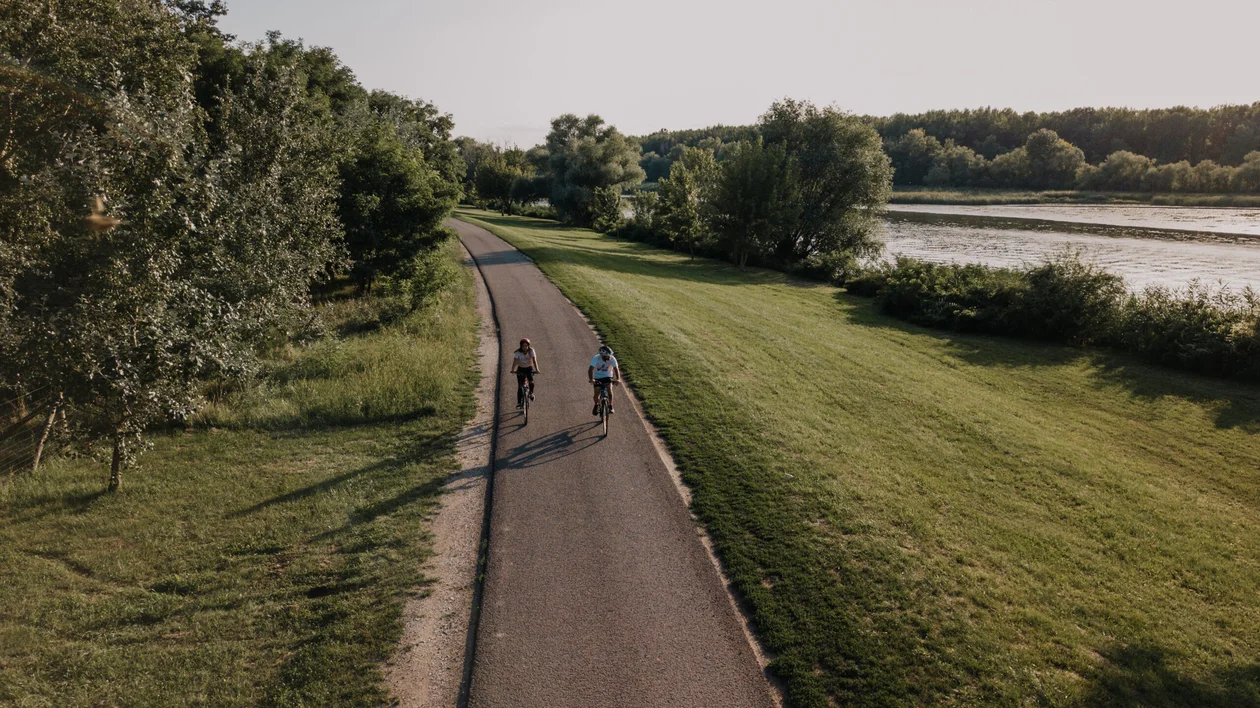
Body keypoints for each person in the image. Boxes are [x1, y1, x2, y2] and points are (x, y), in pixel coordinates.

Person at [588, 344, 620, 416]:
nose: (609, 357)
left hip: (608, 376)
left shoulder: (612, 358)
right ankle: (596, 405)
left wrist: (618, 379)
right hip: (597, 377)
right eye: (607, 356)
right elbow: (590, 369)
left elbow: (616, 369)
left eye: (609, 355)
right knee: (596, 392)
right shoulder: (596, 358)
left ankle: (611, 406)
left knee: (609, 390)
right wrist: (591, 379)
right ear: (602, 355)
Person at [510, 338, 540, 408]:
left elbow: (534, 360)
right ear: (521, 346)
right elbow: (515, 362)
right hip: (521, 369)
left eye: (526, 346)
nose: (525, 347)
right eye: (523, 346)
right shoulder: (518, 353)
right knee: (520, 386)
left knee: (531, 382)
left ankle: (531, 393)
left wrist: (537, 369)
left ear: (528, 346)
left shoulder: (531, 351)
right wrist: (512, 370)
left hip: (529, 368)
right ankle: (519, 402)